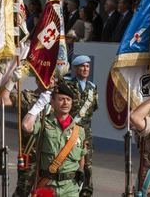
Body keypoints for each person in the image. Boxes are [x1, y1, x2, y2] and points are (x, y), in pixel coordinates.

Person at [22, 81, 87, 197]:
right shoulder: (44, 123)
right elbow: (26, 126)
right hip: (47, 186)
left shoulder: (79, 130)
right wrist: (39, 104)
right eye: (61, 99)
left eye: (68, 99)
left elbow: (82, 155)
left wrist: (81, 172)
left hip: (70, 188)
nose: (65, 102)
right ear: (52, 101)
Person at [0, 72, 53, 197]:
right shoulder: (27, 96)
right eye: (46, 77)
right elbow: (2, 101)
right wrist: (12, 81)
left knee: (46, 193)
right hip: (30, 155)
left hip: (50, 156)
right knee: (22, 192)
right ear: (38, 81)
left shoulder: (59, 99)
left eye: (53, 78)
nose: (51, 81)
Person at [65, 55, 98, 196]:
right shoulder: (67, 85)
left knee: (88, 166)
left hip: (86, 133)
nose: (85, 69)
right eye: (82, 66)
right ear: (75, 68)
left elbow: (93, 108)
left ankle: (86, 192)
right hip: (70, 131)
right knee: (68, 163)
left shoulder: (93, 88)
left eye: (87, 66)